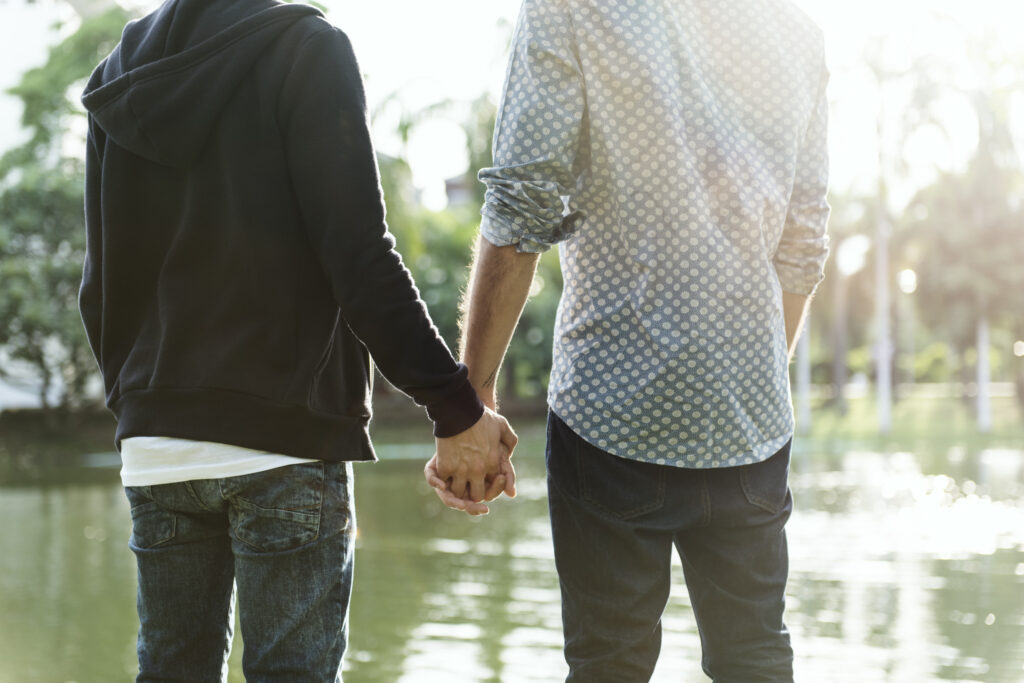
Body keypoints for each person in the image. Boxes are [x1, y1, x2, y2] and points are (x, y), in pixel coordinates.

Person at [79, 0, 516, 679]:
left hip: (158, 446)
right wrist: (456, 408)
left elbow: (102, 282)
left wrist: (141, 408)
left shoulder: (120, 75)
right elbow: (360, 258)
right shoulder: (307, 48)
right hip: (281, 440)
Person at [437, 0, 831, 680]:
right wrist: (752, 372)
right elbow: (803, 242)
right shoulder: (797, 31)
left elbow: (524, 202)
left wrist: (469, 402)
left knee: (607, 666)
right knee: (757, 658)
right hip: (750, 421)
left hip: (610, 415)